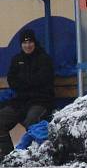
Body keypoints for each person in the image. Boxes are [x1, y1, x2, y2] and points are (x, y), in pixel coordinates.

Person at [0, 29, 54, 158]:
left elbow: (42, 80)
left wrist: (23, 83)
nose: (27, 45)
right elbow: (12, 80)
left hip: (40, 101)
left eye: (30, 42)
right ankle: (9, 156)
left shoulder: (44, 59)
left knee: (31, 121)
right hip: (20, 102)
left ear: (34, 43)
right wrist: (28, 83)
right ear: (21, 44)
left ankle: (35, 156)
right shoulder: (17, 59)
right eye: (24, 43)